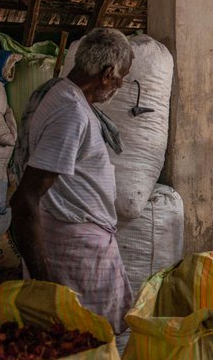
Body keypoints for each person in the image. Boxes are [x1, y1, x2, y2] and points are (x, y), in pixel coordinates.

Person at [10, 28, 134, 333]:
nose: (119, 86)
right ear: (108, 74)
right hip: (74, 254)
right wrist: (44, 284)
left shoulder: (61, 95)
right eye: (121, 78)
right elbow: (26, 198)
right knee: (86, 338)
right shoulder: (71, 112)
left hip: (79, 244)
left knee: (83, 345)